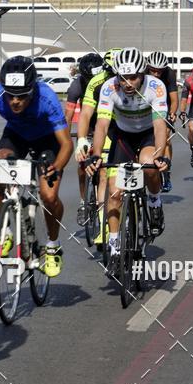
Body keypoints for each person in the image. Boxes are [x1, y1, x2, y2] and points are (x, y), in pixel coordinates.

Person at [0, 56, 73, 278]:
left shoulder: (47, 98)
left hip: (48, 140)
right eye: (11, 96)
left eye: (22, 96)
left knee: (49, 195)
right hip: (16, 135)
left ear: (32, 90)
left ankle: (53, 246)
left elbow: (66, 144)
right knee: (0, 166)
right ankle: (6, 231)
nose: (15, 101)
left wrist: (56, 166)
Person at [87, 47, 169, 274]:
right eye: (122, 77)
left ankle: (154, 202)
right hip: (122, 135)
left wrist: (160, 154)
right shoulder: (109, 87)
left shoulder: (156, 87)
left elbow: (160, 125)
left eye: (132, 77)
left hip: (148, 134)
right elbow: (102, 125)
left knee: (148, 164)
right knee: (114, 192)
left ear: (142, 75)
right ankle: (114, 247)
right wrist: (95, 155)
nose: (127, 83)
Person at [75, 48, 120, 246]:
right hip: (105, 126)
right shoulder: (96, 82)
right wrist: (82, 139)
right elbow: (85, 114)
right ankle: (103, 224)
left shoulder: (139, 81)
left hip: (133, 127)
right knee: (103, 174)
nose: (114, 79)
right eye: (109, 73)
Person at [64, 52, 104, 224]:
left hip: (105, 123)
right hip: (87, 125)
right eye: (88, 79)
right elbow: (68, 115)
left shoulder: (107, 83)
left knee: (104, 164)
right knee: (82, 164)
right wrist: (65, 139)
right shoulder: (76, 86)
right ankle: (84, 202)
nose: (92, 83)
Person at [146, 51, 178, 192]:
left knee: (165, 139)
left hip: (163, 106)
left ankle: (166, 172)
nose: (156, 74)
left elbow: (174, 99)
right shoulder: (142, 72)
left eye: (160, 71)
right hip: (146, 107)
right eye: (153, 70)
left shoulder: (169, 74)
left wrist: (172, 113)